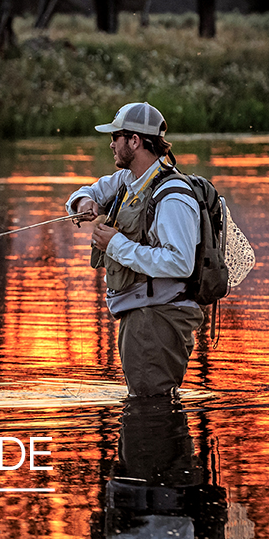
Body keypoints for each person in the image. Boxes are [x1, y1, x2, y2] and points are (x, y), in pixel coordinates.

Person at [67, 102, 204, 397]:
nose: (110, 143)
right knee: (149, 408)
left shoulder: (173, 197)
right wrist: (83, 204)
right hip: (142, 314)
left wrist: (115, 244)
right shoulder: (128, 180)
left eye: (116, 136)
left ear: (134, 141)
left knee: (149, 409)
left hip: (159, 319)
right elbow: (86, 192)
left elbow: (181, 263)